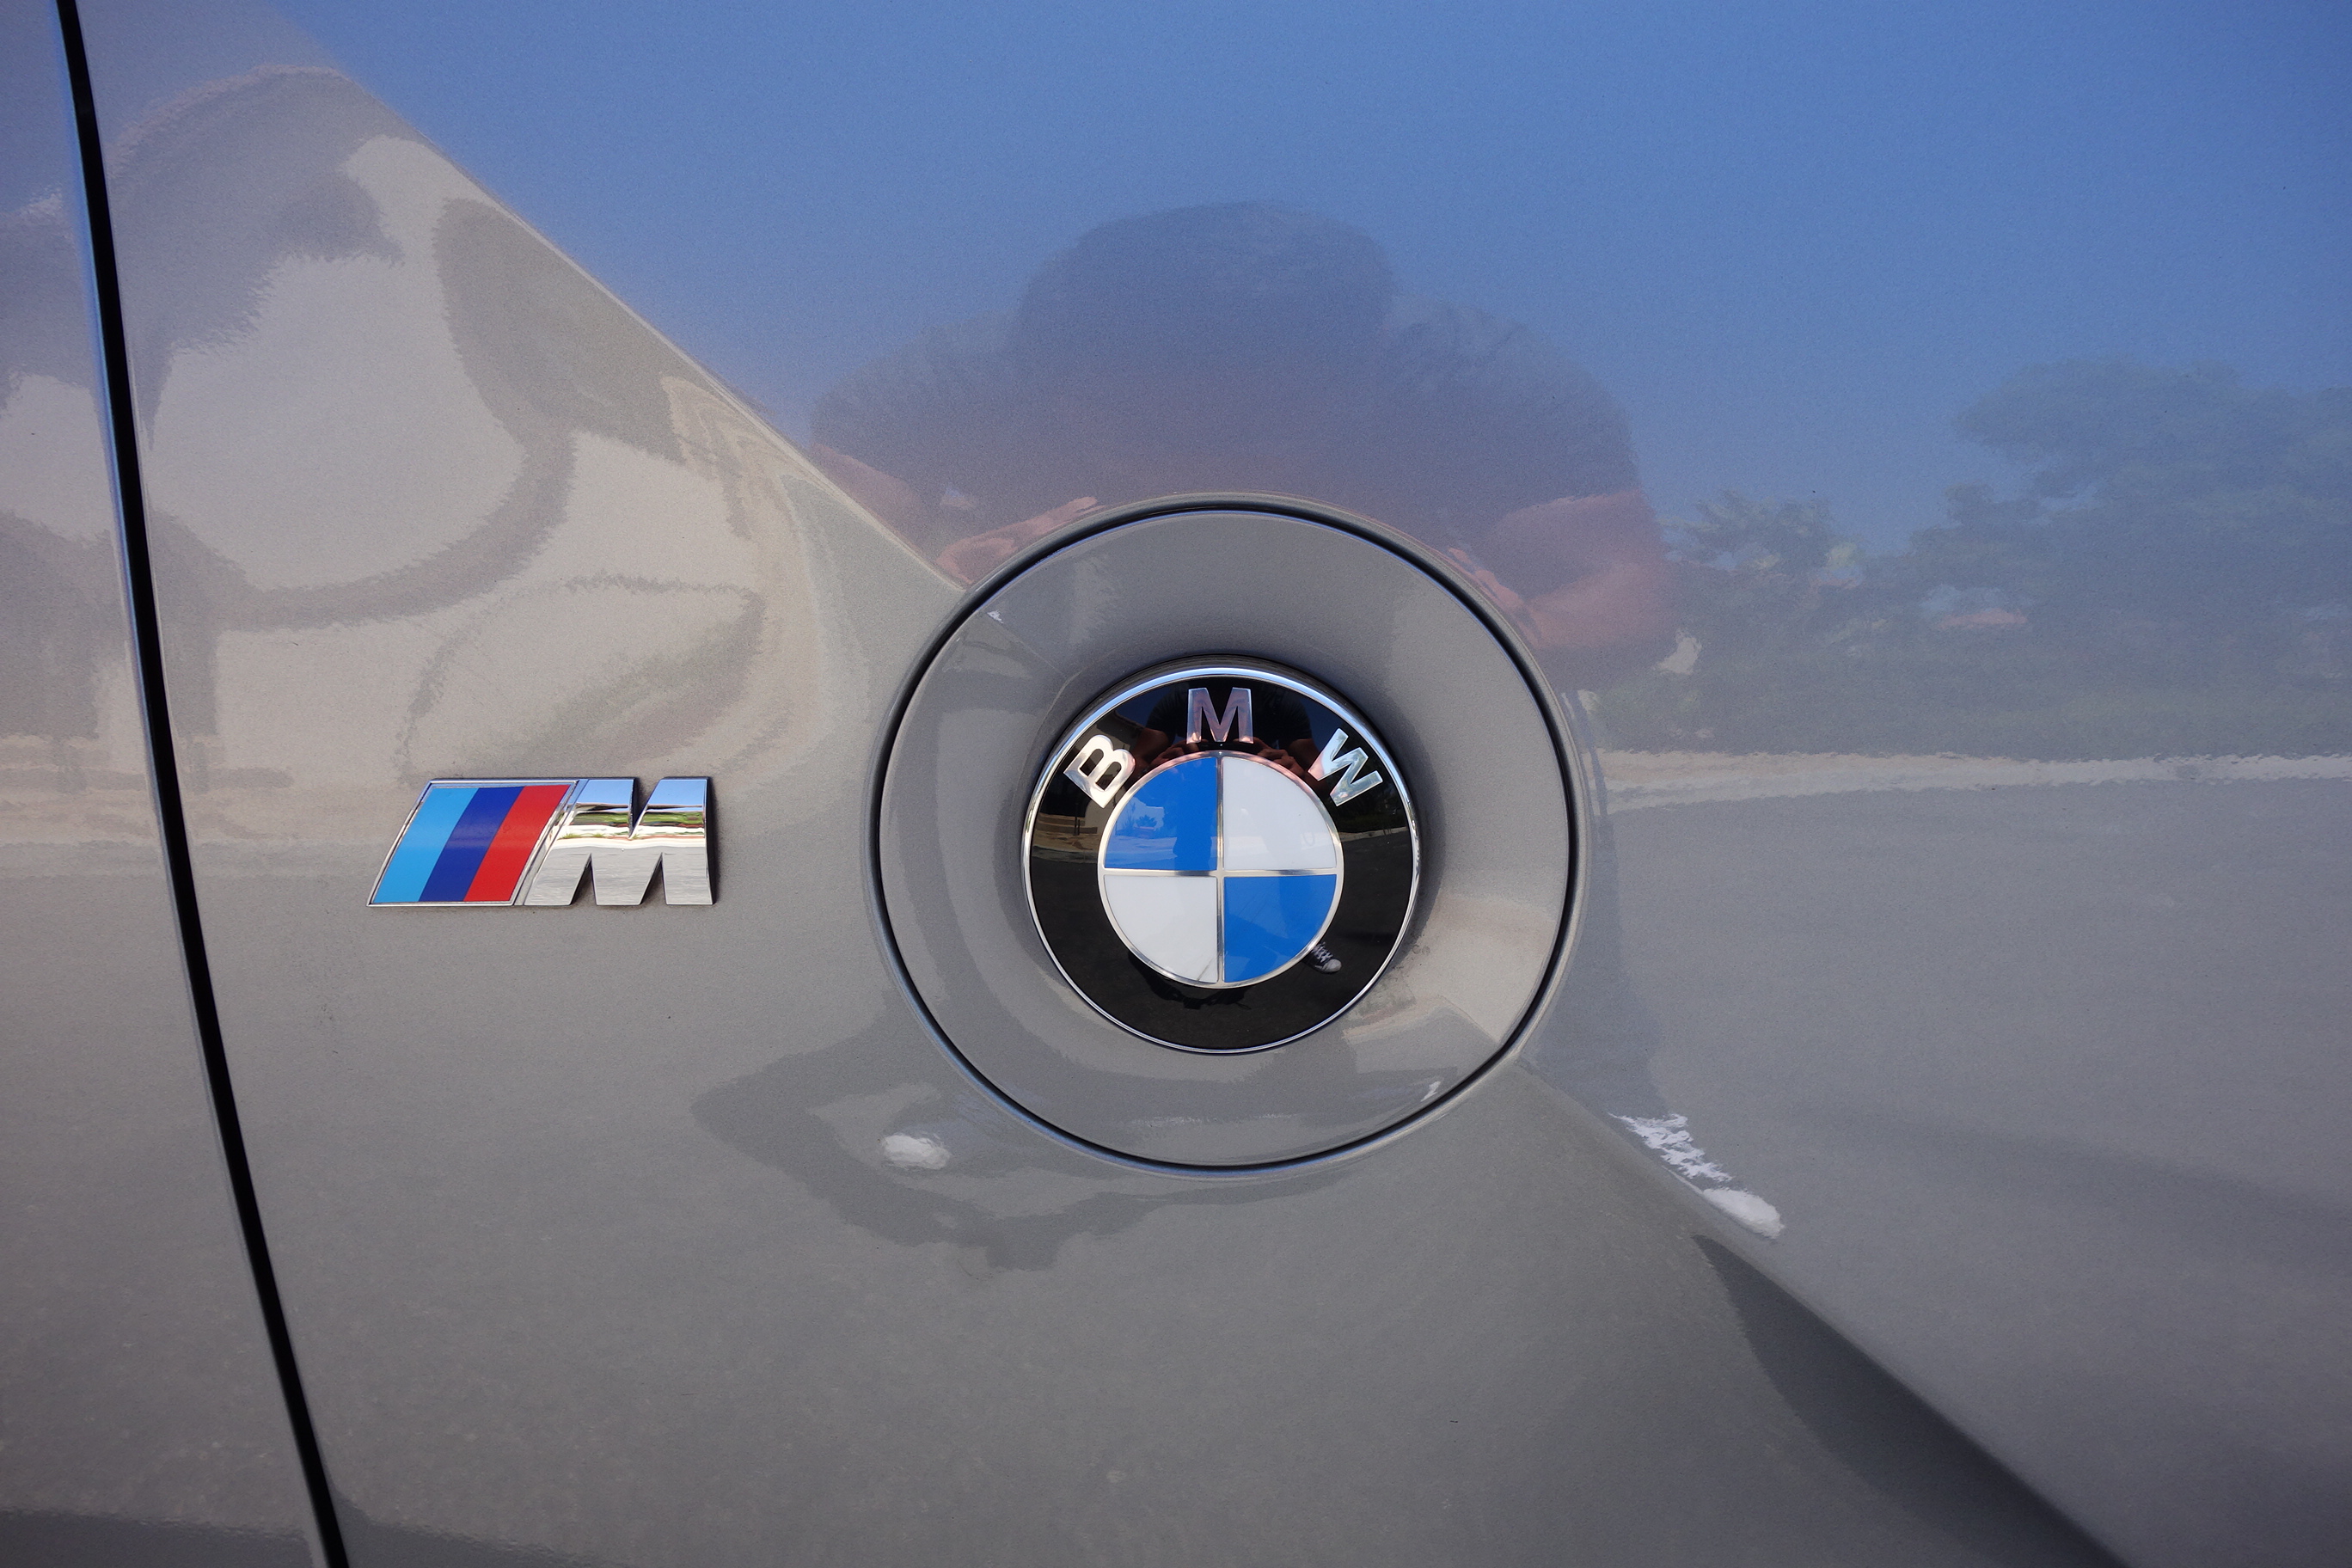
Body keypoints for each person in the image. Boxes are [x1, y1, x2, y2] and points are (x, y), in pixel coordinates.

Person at [811, 203, 1781, 1235]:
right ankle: (1016, 1065)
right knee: (959, 709)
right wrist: (930, 588)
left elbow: (1628, 607)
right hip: (1098, 636)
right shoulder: (940, 386)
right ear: (1050, 373)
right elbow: (815, 590)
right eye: (1140, 433)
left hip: (1378, 640)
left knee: (1535, 722)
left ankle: (1607, 1083)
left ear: (1368, 366)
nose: (1197, 473)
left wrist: (1506, 628)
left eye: (1257, 433)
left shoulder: (1487, 384)